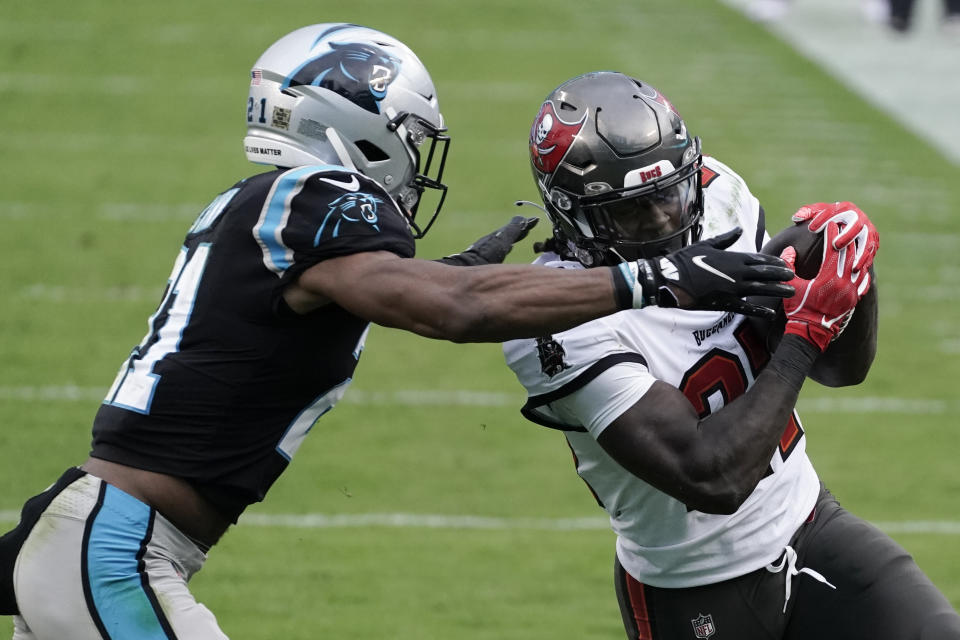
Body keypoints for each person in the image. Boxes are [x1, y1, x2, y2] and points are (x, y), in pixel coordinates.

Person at [0, 26, 796, 640]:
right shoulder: (319, 195)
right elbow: (454, 313)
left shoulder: (265, 208)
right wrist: (652, 279)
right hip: (116, 551)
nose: (415, 161)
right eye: (410, 137)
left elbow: (286, 335)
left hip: (92, 529)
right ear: (357, 127)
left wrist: (450, 270)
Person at [504, 70, 960, 639]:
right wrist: (805, 333)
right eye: (630, 212)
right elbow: (713, 478)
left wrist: (849, 281)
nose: (664, 222)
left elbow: (843, 369)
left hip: (811, 525)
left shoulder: (719, 197)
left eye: (669, 196)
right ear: (571, 214)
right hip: (693, 589)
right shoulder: (551, 318)